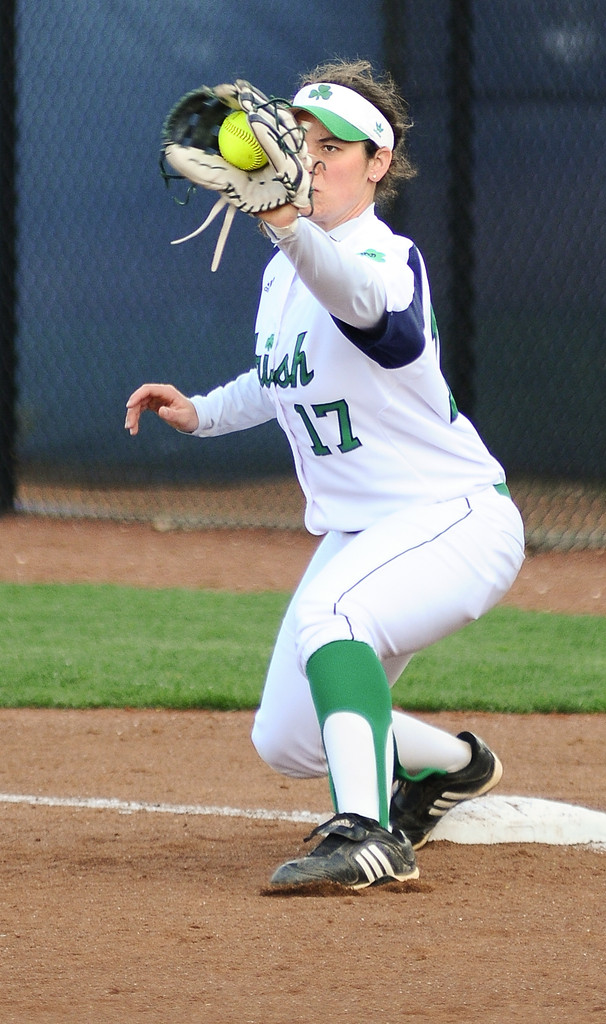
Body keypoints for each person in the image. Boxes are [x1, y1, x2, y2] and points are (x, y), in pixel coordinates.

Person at [125, 59, 525, 890]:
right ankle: (449, 767)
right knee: (287, 738)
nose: (307, 155)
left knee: (333, 614)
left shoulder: (385, 256)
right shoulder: (285, 268)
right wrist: (201, 411)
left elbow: (377, 319)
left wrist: (285, 224)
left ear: (377, 162)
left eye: (330, 144)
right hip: (361, 529)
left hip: (453, 518)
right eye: (298, 139)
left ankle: (369, 834)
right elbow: (279, 376)